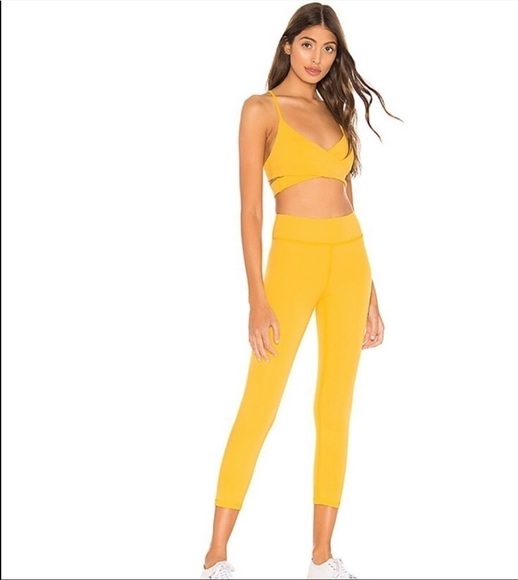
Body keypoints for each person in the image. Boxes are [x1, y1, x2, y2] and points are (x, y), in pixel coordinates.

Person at [200, 3, 402, 579]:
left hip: (350, 261)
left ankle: (321, 556)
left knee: (334, 407)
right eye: (309, 44)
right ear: (288, 44)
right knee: (260, 402)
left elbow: (347, 199)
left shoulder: (336, 111)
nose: (318, 58)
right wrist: (256, 298)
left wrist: (372, 295)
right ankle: (215, 554)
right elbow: (249, 211)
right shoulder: (260, 109)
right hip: (292, 259)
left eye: (329, 48)